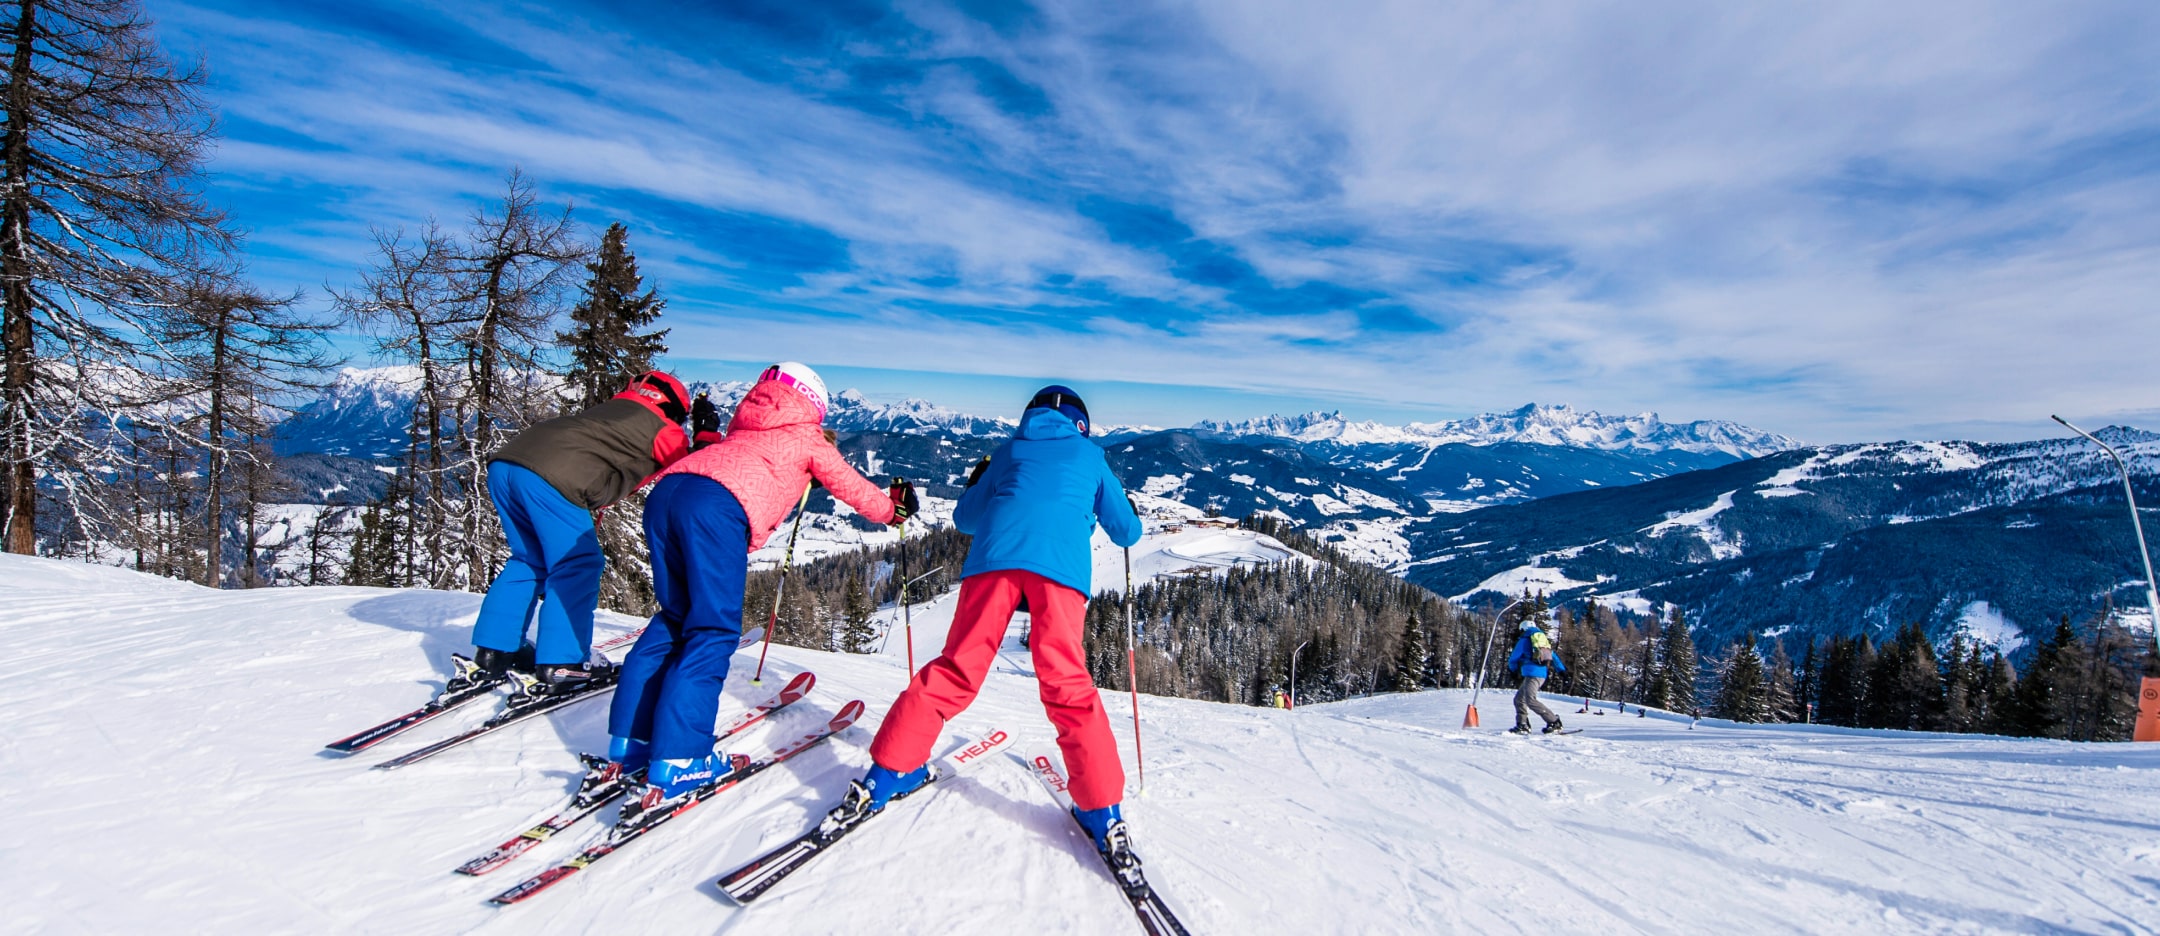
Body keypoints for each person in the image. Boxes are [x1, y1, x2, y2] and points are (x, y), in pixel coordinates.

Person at [843, 385, 1143, 855]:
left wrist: (980, 479)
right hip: (1061, 571)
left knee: (957, 667)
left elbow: (965, 519)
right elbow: (1127, 532)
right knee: (1067, 684)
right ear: (1082, 424)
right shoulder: (1090, 456)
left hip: (993, 562)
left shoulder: (1007, 452)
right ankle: (1102, 811)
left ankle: (888, 773)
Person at [605, 362, 917, 814]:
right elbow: (853, 488)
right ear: (813, 404)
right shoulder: (807, 436)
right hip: (715, 509)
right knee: (710, 631)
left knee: (674, 618)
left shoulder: (745, 426)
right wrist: (894, 511)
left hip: (668, 495)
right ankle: (679, 758)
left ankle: (630, 742)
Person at [465, 370, 691, 695]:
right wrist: (708, 434)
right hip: (553, 478)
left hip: (507, 463)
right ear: (673, 408)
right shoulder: (662, 427)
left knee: (528, 560)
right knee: (577, 565)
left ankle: (495, 651)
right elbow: (695, 467)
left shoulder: (614, 410)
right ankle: (563, 663)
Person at [1506, 617, 1567, 734]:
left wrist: (1513, 670)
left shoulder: (1525, 639)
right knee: (1519, 699)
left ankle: (1554, 721)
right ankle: (1522, 724)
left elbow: (1514, 657)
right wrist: (1561, 670)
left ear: (1523, 629)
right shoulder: (1542, 639)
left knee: (1530, 700)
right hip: (1540, 673)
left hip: (1532, 674)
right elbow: (1552, 655)